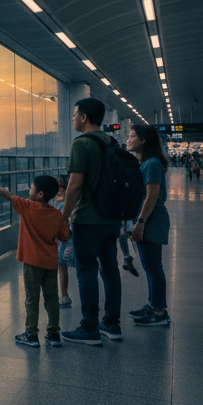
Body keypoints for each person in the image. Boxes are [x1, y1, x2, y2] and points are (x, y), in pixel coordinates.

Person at [0, 175, 71, 347]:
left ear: (40, 194)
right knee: (51, 298)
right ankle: (53, 334)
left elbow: (7, 195)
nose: (29, 190)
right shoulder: (57, 215)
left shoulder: (27, 207)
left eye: (31, 188)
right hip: (50, 263)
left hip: (32, 263)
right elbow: (65, 236)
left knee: (32, 298)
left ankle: (31, 334)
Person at [60, 97, 123, 346]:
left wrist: (64, 216)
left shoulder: (81, 143)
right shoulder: (112, 141)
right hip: (111, 218)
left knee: (86, 271)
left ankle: (89, 328)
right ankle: (111, 323)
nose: (73, 119)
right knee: (110, 269)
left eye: (74, 115)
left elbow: (74, 184)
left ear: (84, 117)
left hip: (87, 219)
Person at [127, 124, 171, 326]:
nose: (128, 139)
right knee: (149, 266)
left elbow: (152, 197)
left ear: (143, 141)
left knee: (153, 267)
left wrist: (141, 222)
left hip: (150, 220)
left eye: (132, 136)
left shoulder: (152, 164)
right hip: (148, 219)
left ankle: (160, 312)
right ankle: (153, 305)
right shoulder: (147, 162)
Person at [53, 176, 74, 309]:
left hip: (66, 238)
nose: (59, 191)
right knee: (62, 265)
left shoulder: (62, 204)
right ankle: (64, 295)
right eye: (58, 188)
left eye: (62, 188)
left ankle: (64, 295)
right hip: (68, 238)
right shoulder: (68, 201)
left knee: (61, 265)